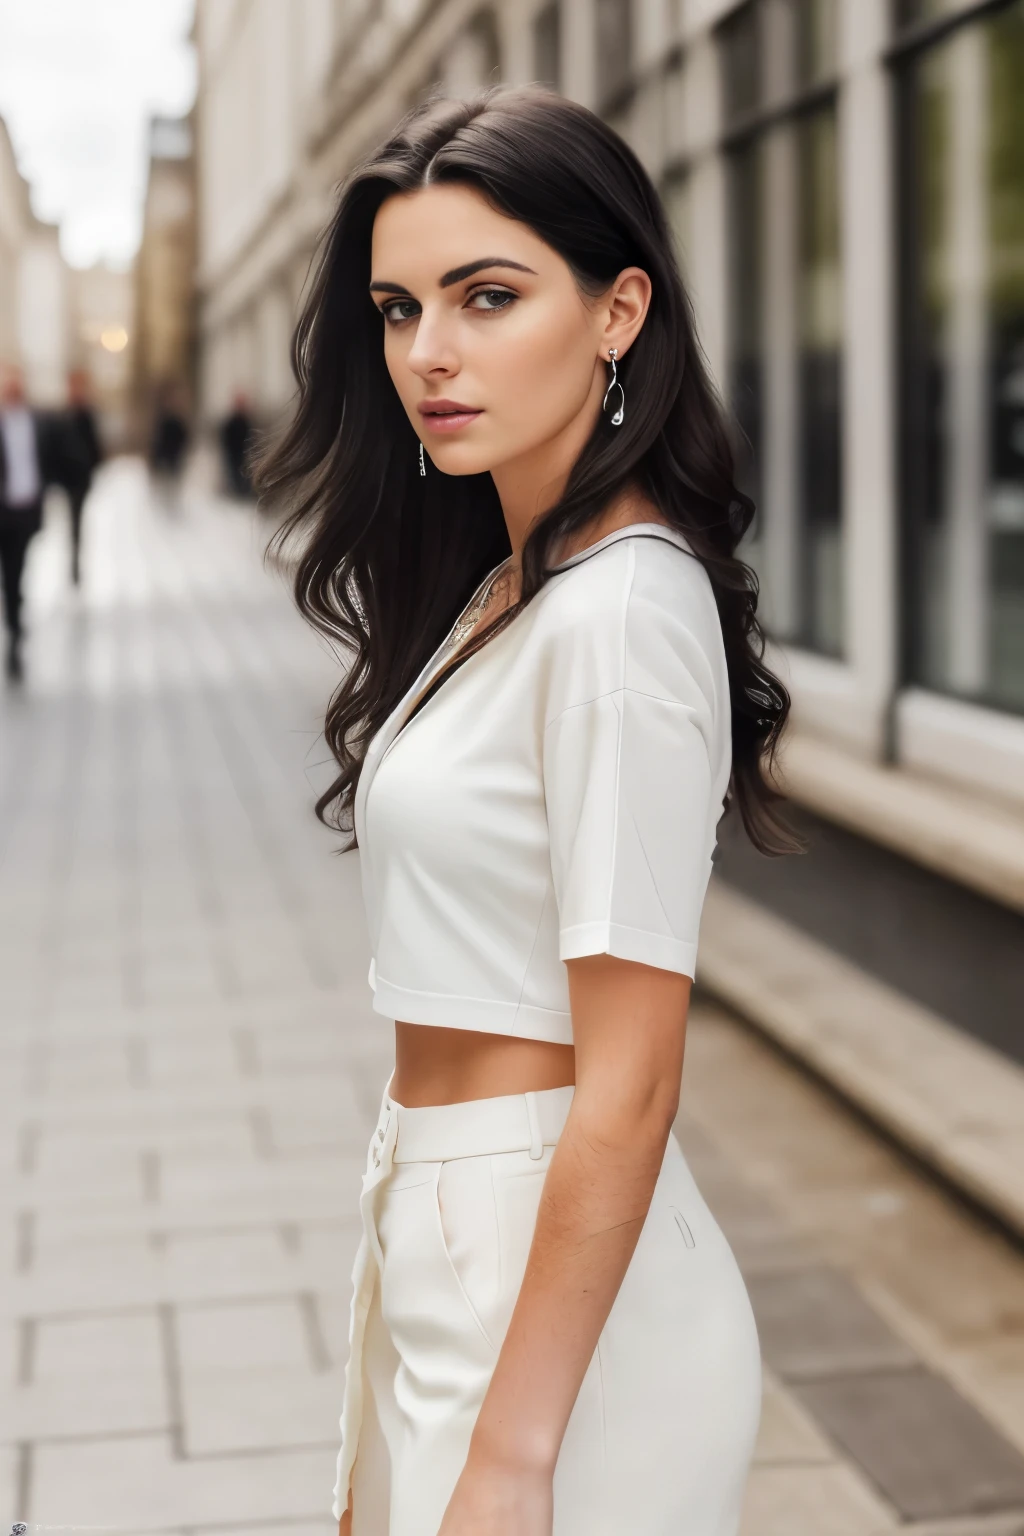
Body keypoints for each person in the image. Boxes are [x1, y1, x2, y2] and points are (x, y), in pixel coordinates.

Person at [256, 87, 794, 1536]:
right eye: (397, 305)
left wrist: (513, 1455)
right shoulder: (513, 581)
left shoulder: (620, 609)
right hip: (448, 1230)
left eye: (488, 296)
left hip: (556, 1301)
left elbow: (631, 1081)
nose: (428, 353)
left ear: (620, 311)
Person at [0, 368, 53, 681]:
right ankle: (14, 619)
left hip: (25, 511)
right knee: (8, 574)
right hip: (2, 510)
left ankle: (15, 629)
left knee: (16, 572)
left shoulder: (38, 425)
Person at [59, 369, 104, 585]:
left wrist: (90, 467)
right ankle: (73, 563)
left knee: (77, 520)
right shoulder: (64, 413)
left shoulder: (86, 414)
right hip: (68, 478)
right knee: (73, 521)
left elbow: (96, 447)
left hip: (82, 478)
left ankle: (76, 563)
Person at [219, 390, 255, 497]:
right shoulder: (230, 422)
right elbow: (225, 439)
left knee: (243, 476)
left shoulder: (247, 422)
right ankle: (235, 493)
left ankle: (242, 493)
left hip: (244, 455)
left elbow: (252, 438)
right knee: (234, 475)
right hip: (233, 455)